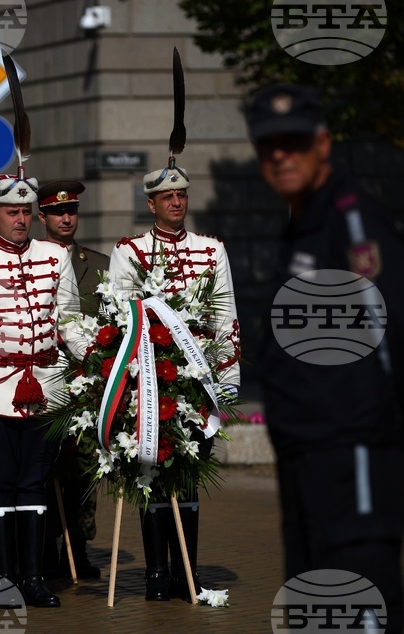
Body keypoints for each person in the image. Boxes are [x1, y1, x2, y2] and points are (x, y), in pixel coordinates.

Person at [246, 84, 404, 631]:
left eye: (293, 142)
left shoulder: (354, 219)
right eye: (269, 146)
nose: (281, 156)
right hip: (305, 461)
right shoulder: (301, 224)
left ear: (324, 144)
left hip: (357, 454)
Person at [0, 172, 87, 608]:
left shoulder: (55, 255)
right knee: (2, 484)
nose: (21, 219)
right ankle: (4, 579)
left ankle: (33, 577)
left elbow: (69, 318)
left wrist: (94, 360)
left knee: (35, 483)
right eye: (12, 212)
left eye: (26, 211)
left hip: (46, 387)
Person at [109, 163, 240, 601]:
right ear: (151, 203)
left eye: (182, 194)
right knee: (151, 470)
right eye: (167, 197)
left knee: (188, 477)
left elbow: (226, 320)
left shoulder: (211, 250)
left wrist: (228, 379)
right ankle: (155, 574)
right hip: (149, 381)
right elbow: (119, 319)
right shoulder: (130, 251)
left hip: (197, 383)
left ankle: (187, 571)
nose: (177, 201)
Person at [36, 180, 109, 579]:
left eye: (72, 211)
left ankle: (79, 546)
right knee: (45, 465)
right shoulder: (32, 260)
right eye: (57, 213)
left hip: (87, 379)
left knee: (83, 465)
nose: (66, 218)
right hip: (45, 377)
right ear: (42, 217)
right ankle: (47, 546)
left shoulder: (97, 264)